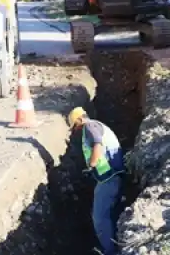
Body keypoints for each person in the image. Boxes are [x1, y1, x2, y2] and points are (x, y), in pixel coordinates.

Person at [67, 106, 125, 255]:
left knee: (99, 218)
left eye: (76, 126)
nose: (76, 130)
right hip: (111, 176)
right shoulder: (97, 125)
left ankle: (110, 251)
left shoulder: (90, 126)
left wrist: (92, 164)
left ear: (80, 119)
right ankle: (115, 244)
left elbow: (97, 144)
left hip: (109, 178)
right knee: (109, 213)